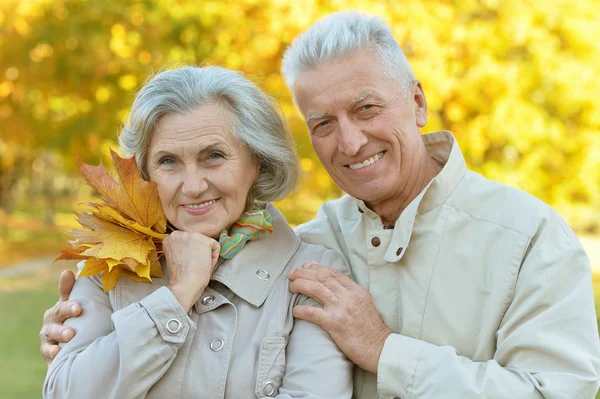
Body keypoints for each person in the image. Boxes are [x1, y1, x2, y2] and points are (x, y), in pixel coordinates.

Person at [41, 11, 600, 399]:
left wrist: (385, 352)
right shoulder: (311, 243)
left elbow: (559, 392)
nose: (351, 141)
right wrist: (111, 324)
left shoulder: (528, 239)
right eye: (324, 123)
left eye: (367, 108)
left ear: (418, 101)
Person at [42, 65, 353, 398]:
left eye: (214, 156)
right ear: (144, 172)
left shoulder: (313, 276)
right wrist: (177, 295)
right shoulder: (108, 266)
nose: (192, 186)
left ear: (258, 160)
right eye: (168, 161)